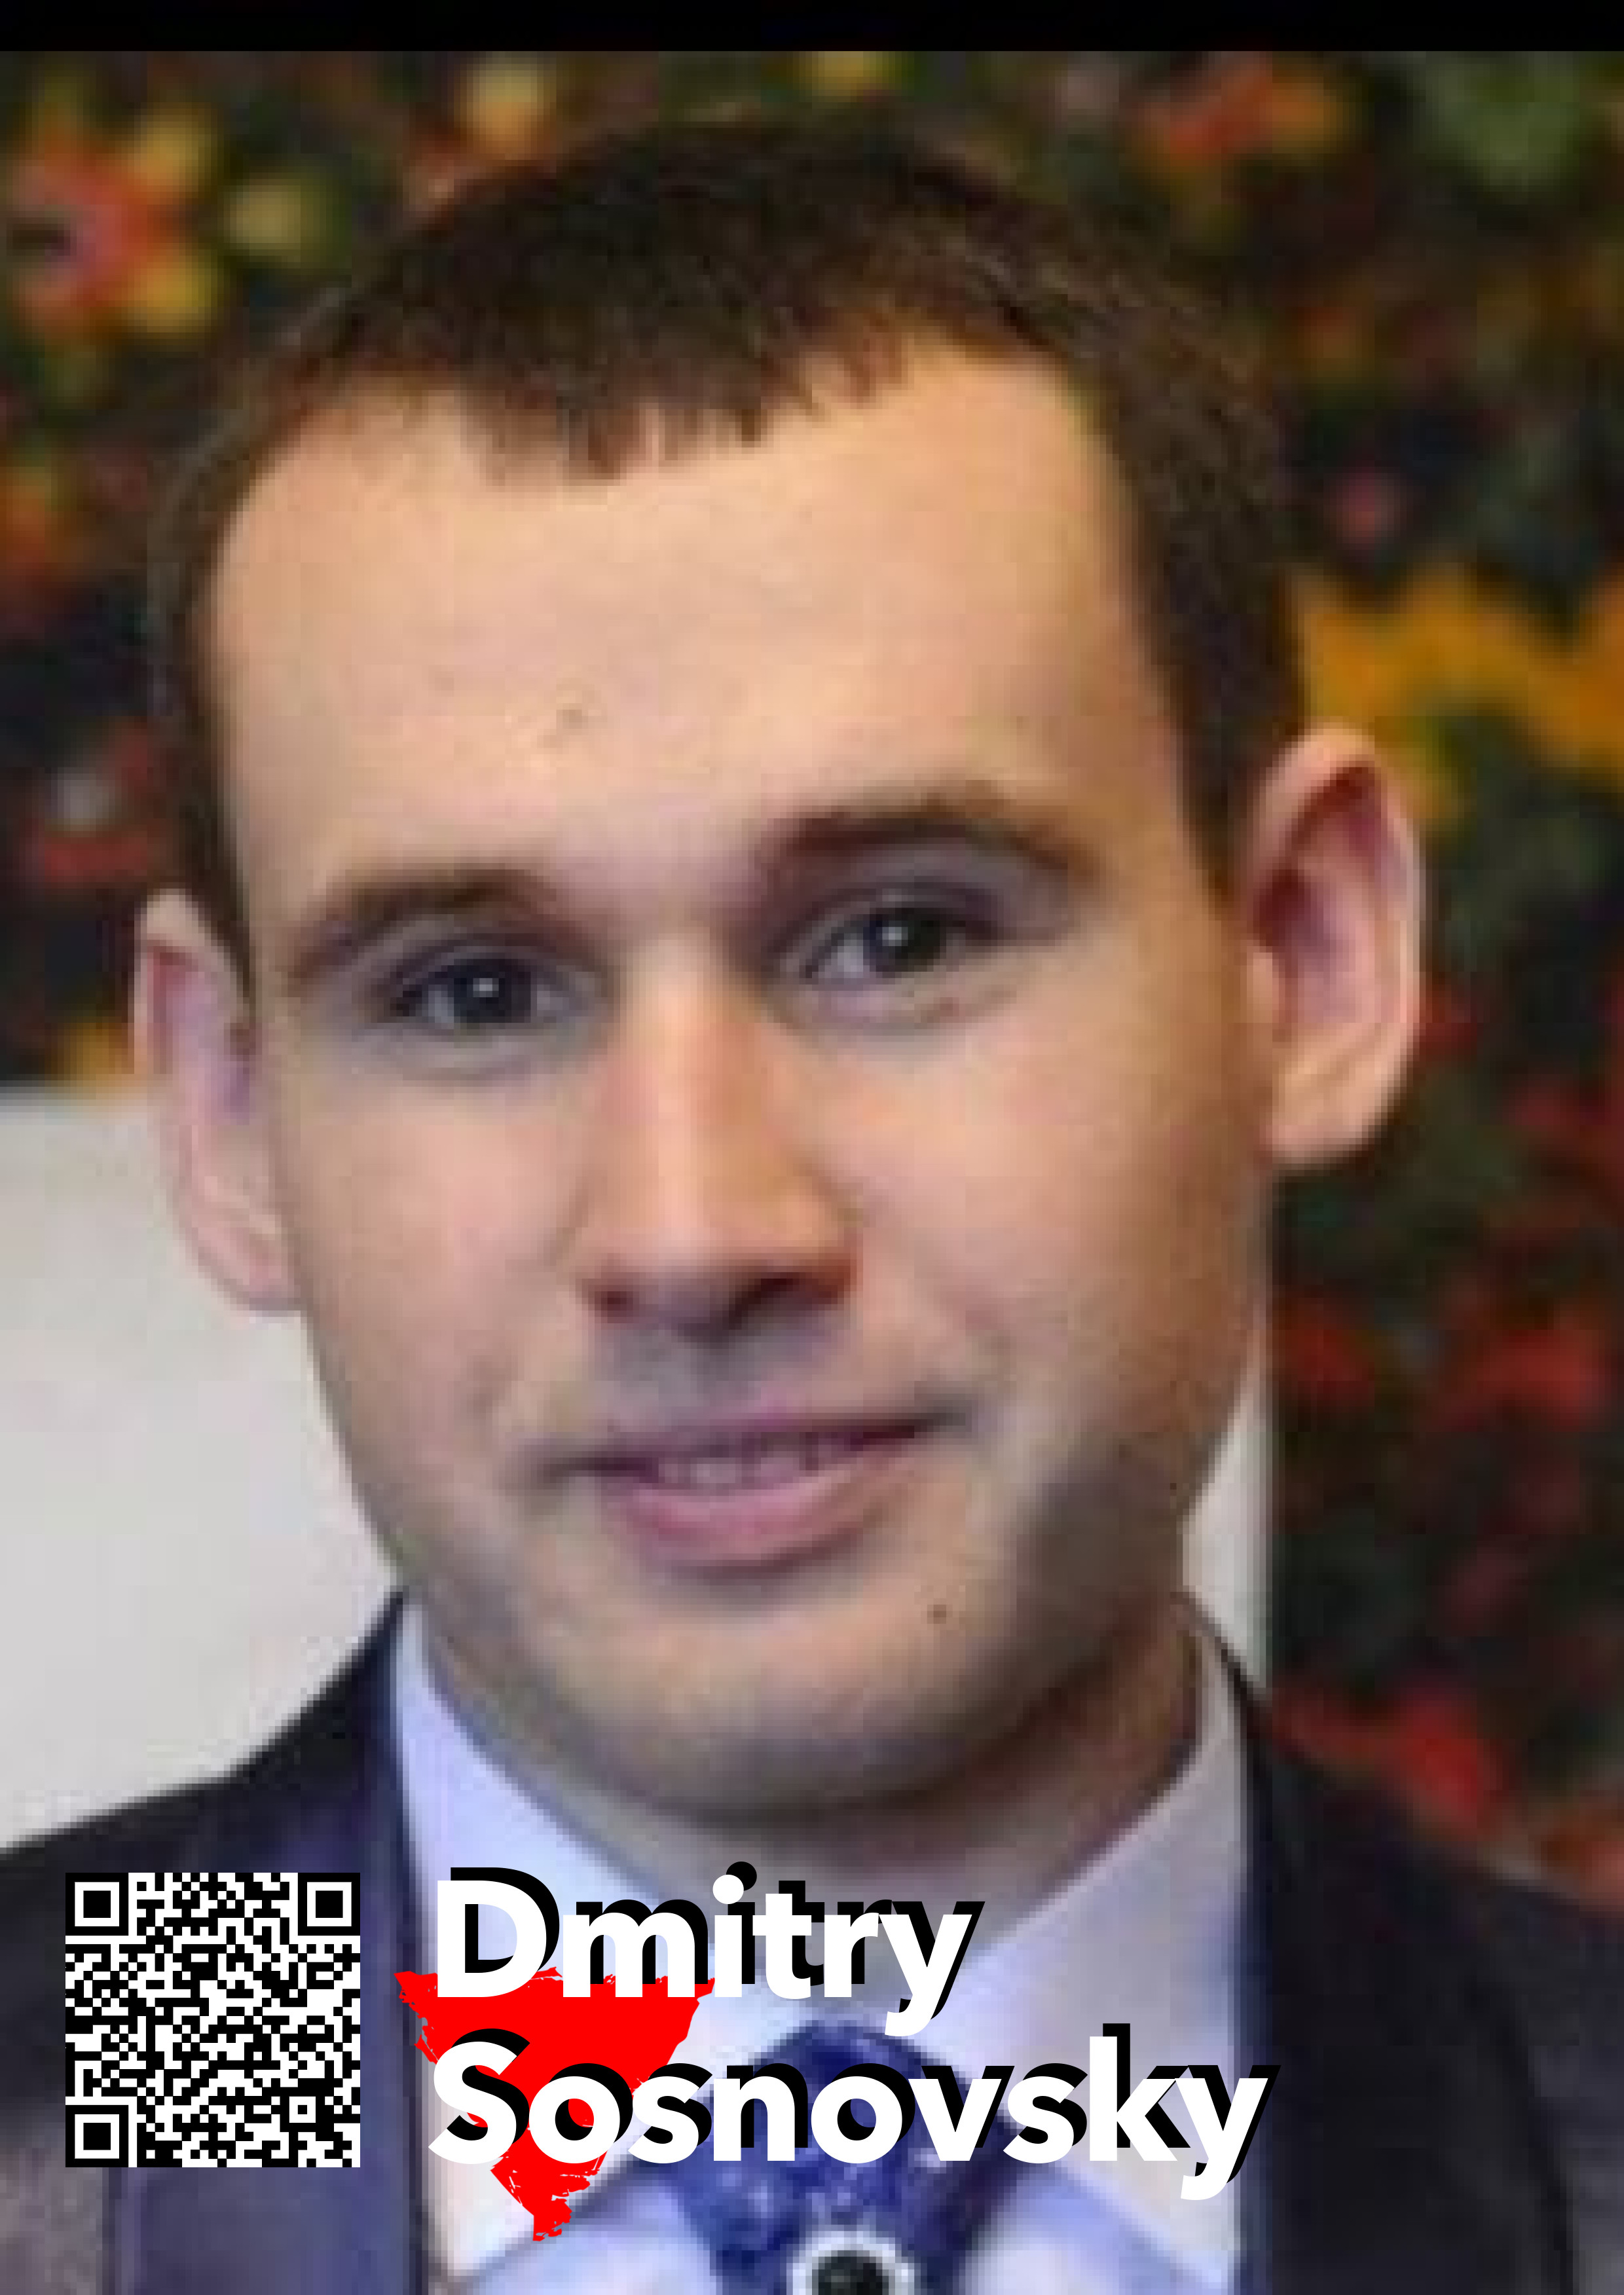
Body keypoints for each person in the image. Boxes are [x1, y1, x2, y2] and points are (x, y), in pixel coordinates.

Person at [3, 109, 1621, 2295]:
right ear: (227, 1109)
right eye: (476, 988)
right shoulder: (61, 2131)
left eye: (899, 937)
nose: (693, 1228)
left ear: (1304, 959)